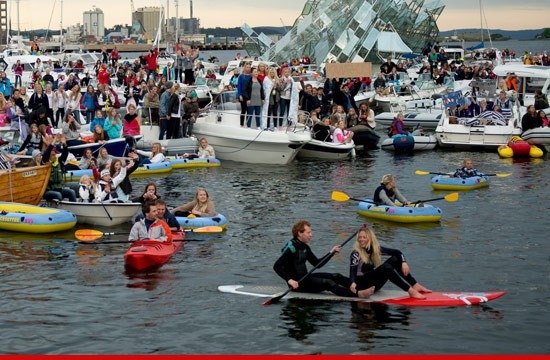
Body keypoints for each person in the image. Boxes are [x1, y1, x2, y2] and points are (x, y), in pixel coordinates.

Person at [273, 220, 373, 298]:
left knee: (335, 276)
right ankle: (358, 294)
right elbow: (277, 266)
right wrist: (289, 280)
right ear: (300, 233)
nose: (311, 235)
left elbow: (317, 264)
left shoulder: (305, 247)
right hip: (297, 285)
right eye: (308, 232)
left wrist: (331, 252)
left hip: (305, 277)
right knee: (327, 283)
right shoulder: (291, 248)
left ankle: (358, 287)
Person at [350, 227, 430, 300]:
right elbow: (352, 272)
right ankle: (410, 291)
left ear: (370, 239)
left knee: (395, 259)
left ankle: (414, 284)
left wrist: (404, 262)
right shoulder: (356, 253)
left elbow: (397, 252)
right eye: (359, 237)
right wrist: (353, 283)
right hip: (363, 285)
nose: (361, 239)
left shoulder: (375, 249)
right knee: (386, 267)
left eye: (364, 237)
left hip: (374, 285)